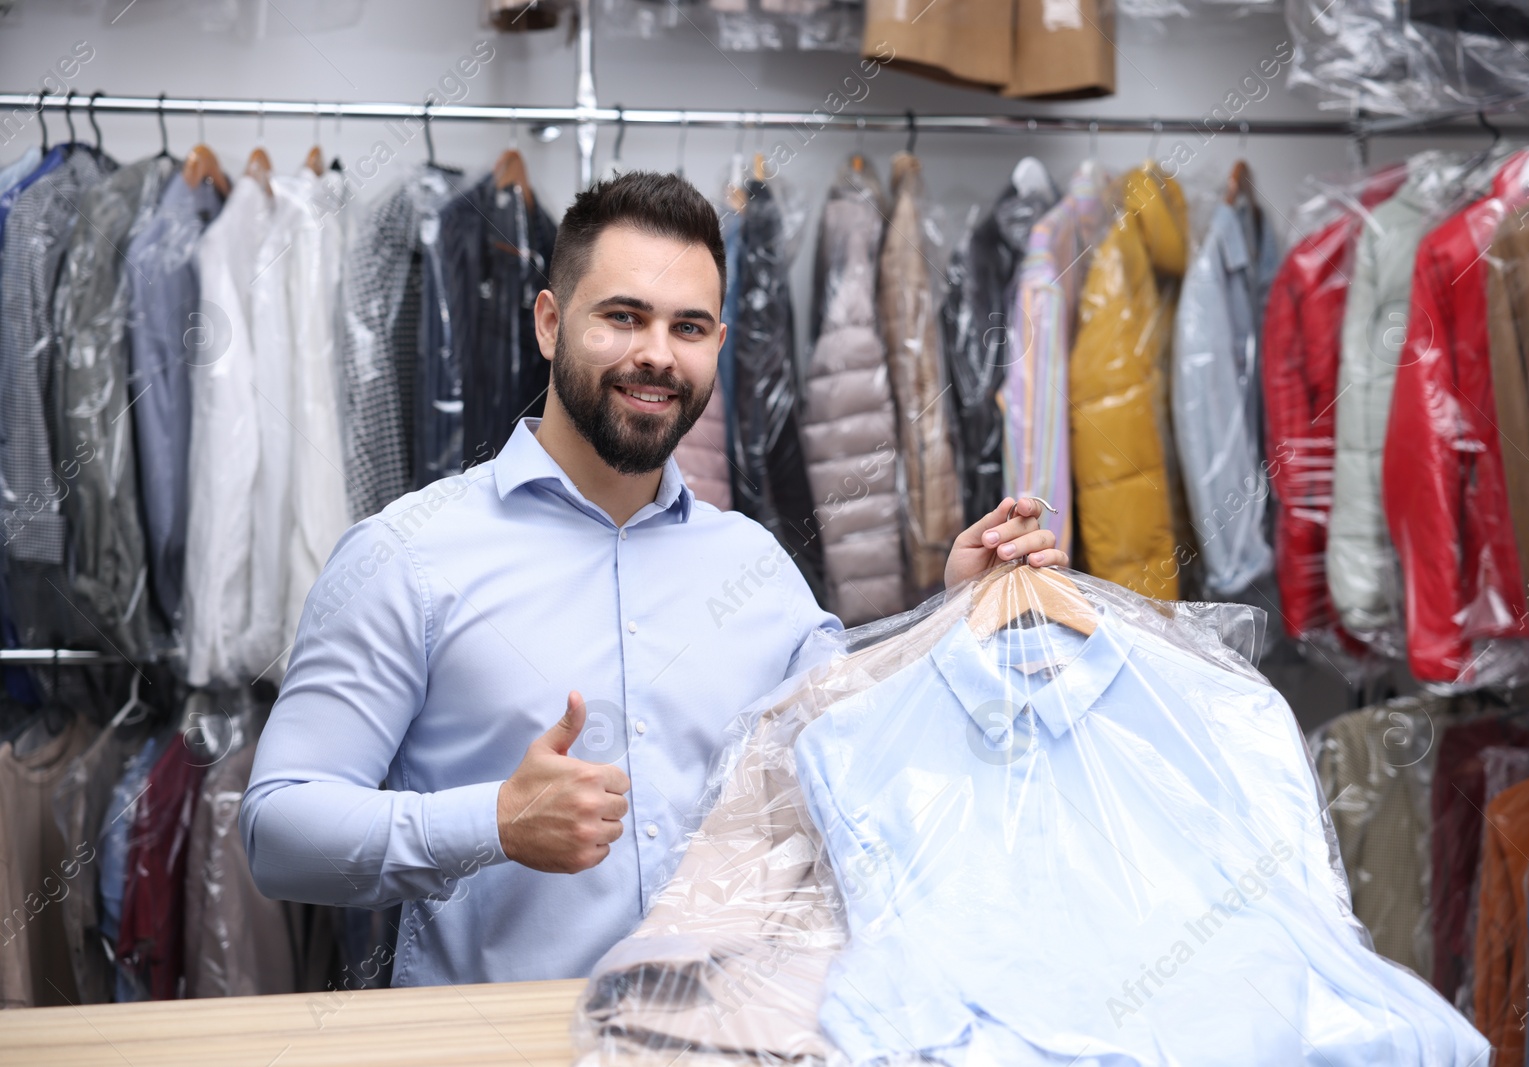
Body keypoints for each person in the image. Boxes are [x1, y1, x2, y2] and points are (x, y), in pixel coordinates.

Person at [240, 171, 1066, 987]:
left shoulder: (756, 569)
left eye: (689, 327)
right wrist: (492, 820)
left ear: (719, 344)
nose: (657, 355)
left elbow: (866, 766)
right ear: (549, 322)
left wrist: (956, 619)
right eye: (624, 317)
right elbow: (278, 831)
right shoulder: (405, 554)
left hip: (727, 1039)